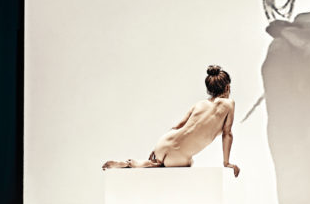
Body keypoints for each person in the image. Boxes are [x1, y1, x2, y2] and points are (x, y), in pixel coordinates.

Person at [102, 65, 240, 177]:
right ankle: (143, 164)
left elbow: (177, 126)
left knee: (162, 161)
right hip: (178, 155)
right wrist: (226, 162)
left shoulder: (199, 104)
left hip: (164, 141)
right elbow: (227, 134)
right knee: (189, 163)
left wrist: (158, 148)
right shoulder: (229, 104)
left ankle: (135, 163)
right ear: (227, 87)